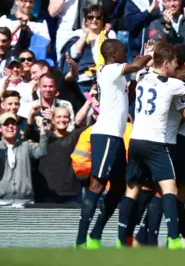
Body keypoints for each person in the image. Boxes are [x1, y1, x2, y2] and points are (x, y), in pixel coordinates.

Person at [116, 41, 185, 249]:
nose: (176, 66)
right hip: (158, 142)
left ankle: (123, 238)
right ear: (167, 64)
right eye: (173, 63)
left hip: (136, 139)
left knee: (133, 189)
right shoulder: (173, 85)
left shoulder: (143, 75)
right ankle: (173, 238)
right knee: (169, 189)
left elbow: (153, 67)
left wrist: (148, 53)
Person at [75, 39, 150, 248]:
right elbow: (136, 65)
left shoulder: (115, 76)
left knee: (117, 187)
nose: (125, 53)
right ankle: (81, 240)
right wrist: (150, 53)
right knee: (97, 184)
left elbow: (129, 96)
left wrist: (135, 78)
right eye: (123, 50)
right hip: (105, 135)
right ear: (115, 53)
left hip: (115, 137)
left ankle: (95, 235)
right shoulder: (109, 70)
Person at [0, 113, 48, 205]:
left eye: (13, 123)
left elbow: (42, 151)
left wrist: (42, 128)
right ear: (0, 128)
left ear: (17, 127)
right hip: (1, 202)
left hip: (25, 201)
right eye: (6, 124)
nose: (10, 126)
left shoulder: (26, 146)